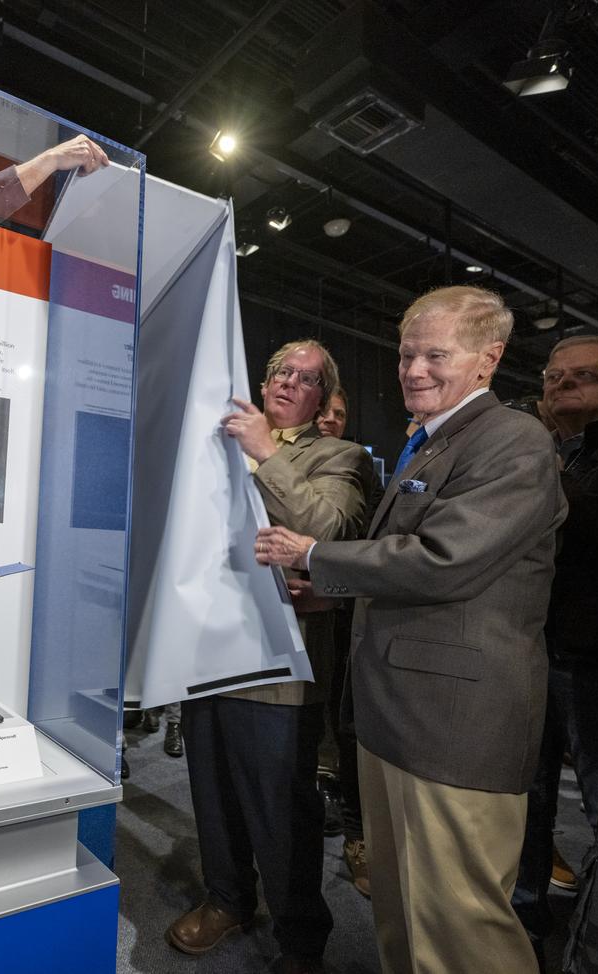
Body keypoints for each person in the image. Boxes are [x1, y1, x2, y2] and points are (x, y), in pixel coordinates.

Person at [256, 286, 567, 974]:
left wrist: (311, 555)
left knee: (460, 931)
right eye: (406, 353)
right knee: (402, 914)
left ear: (489, 359)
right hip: (399, 718)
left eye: (435, 354)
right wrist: (333, 584)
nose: (414, 369)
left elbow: (443, 559)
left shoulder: (513, 439)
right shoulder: (432, 442)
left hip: (457, 729)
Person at [165, 340, 374, 974]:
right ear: (264, 380)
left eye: (307, 379)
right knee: (213, 792)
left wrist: (263, 451)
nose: (289, 384)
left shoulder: (342, 455)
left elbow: (331, 531)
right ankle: (228, 899)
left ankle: (300, 938)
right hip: (206, 648)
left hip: (278, 663)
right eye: (282, 372)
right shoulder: (216, 441)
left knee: (280, 808)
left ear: (322, 396)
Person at [512, 335, 598, 968]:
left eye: (585, 376)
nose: (562, 385)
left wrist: (537, 467)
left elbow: (594, 528)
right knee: (528, 794)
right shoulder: (556, 450)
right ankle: (523, 916)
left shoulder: (572, 461)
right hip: (533, 649)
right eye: (553, 375)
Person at [313, 387, 372, 896]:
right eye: (326, 411)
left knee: (345, 729)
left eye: (341, 412)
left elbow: (339, 535)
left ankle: (357, 838)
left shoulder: (351, 463)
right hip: (309, 617)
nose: (331, 419)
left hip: (345, 616)